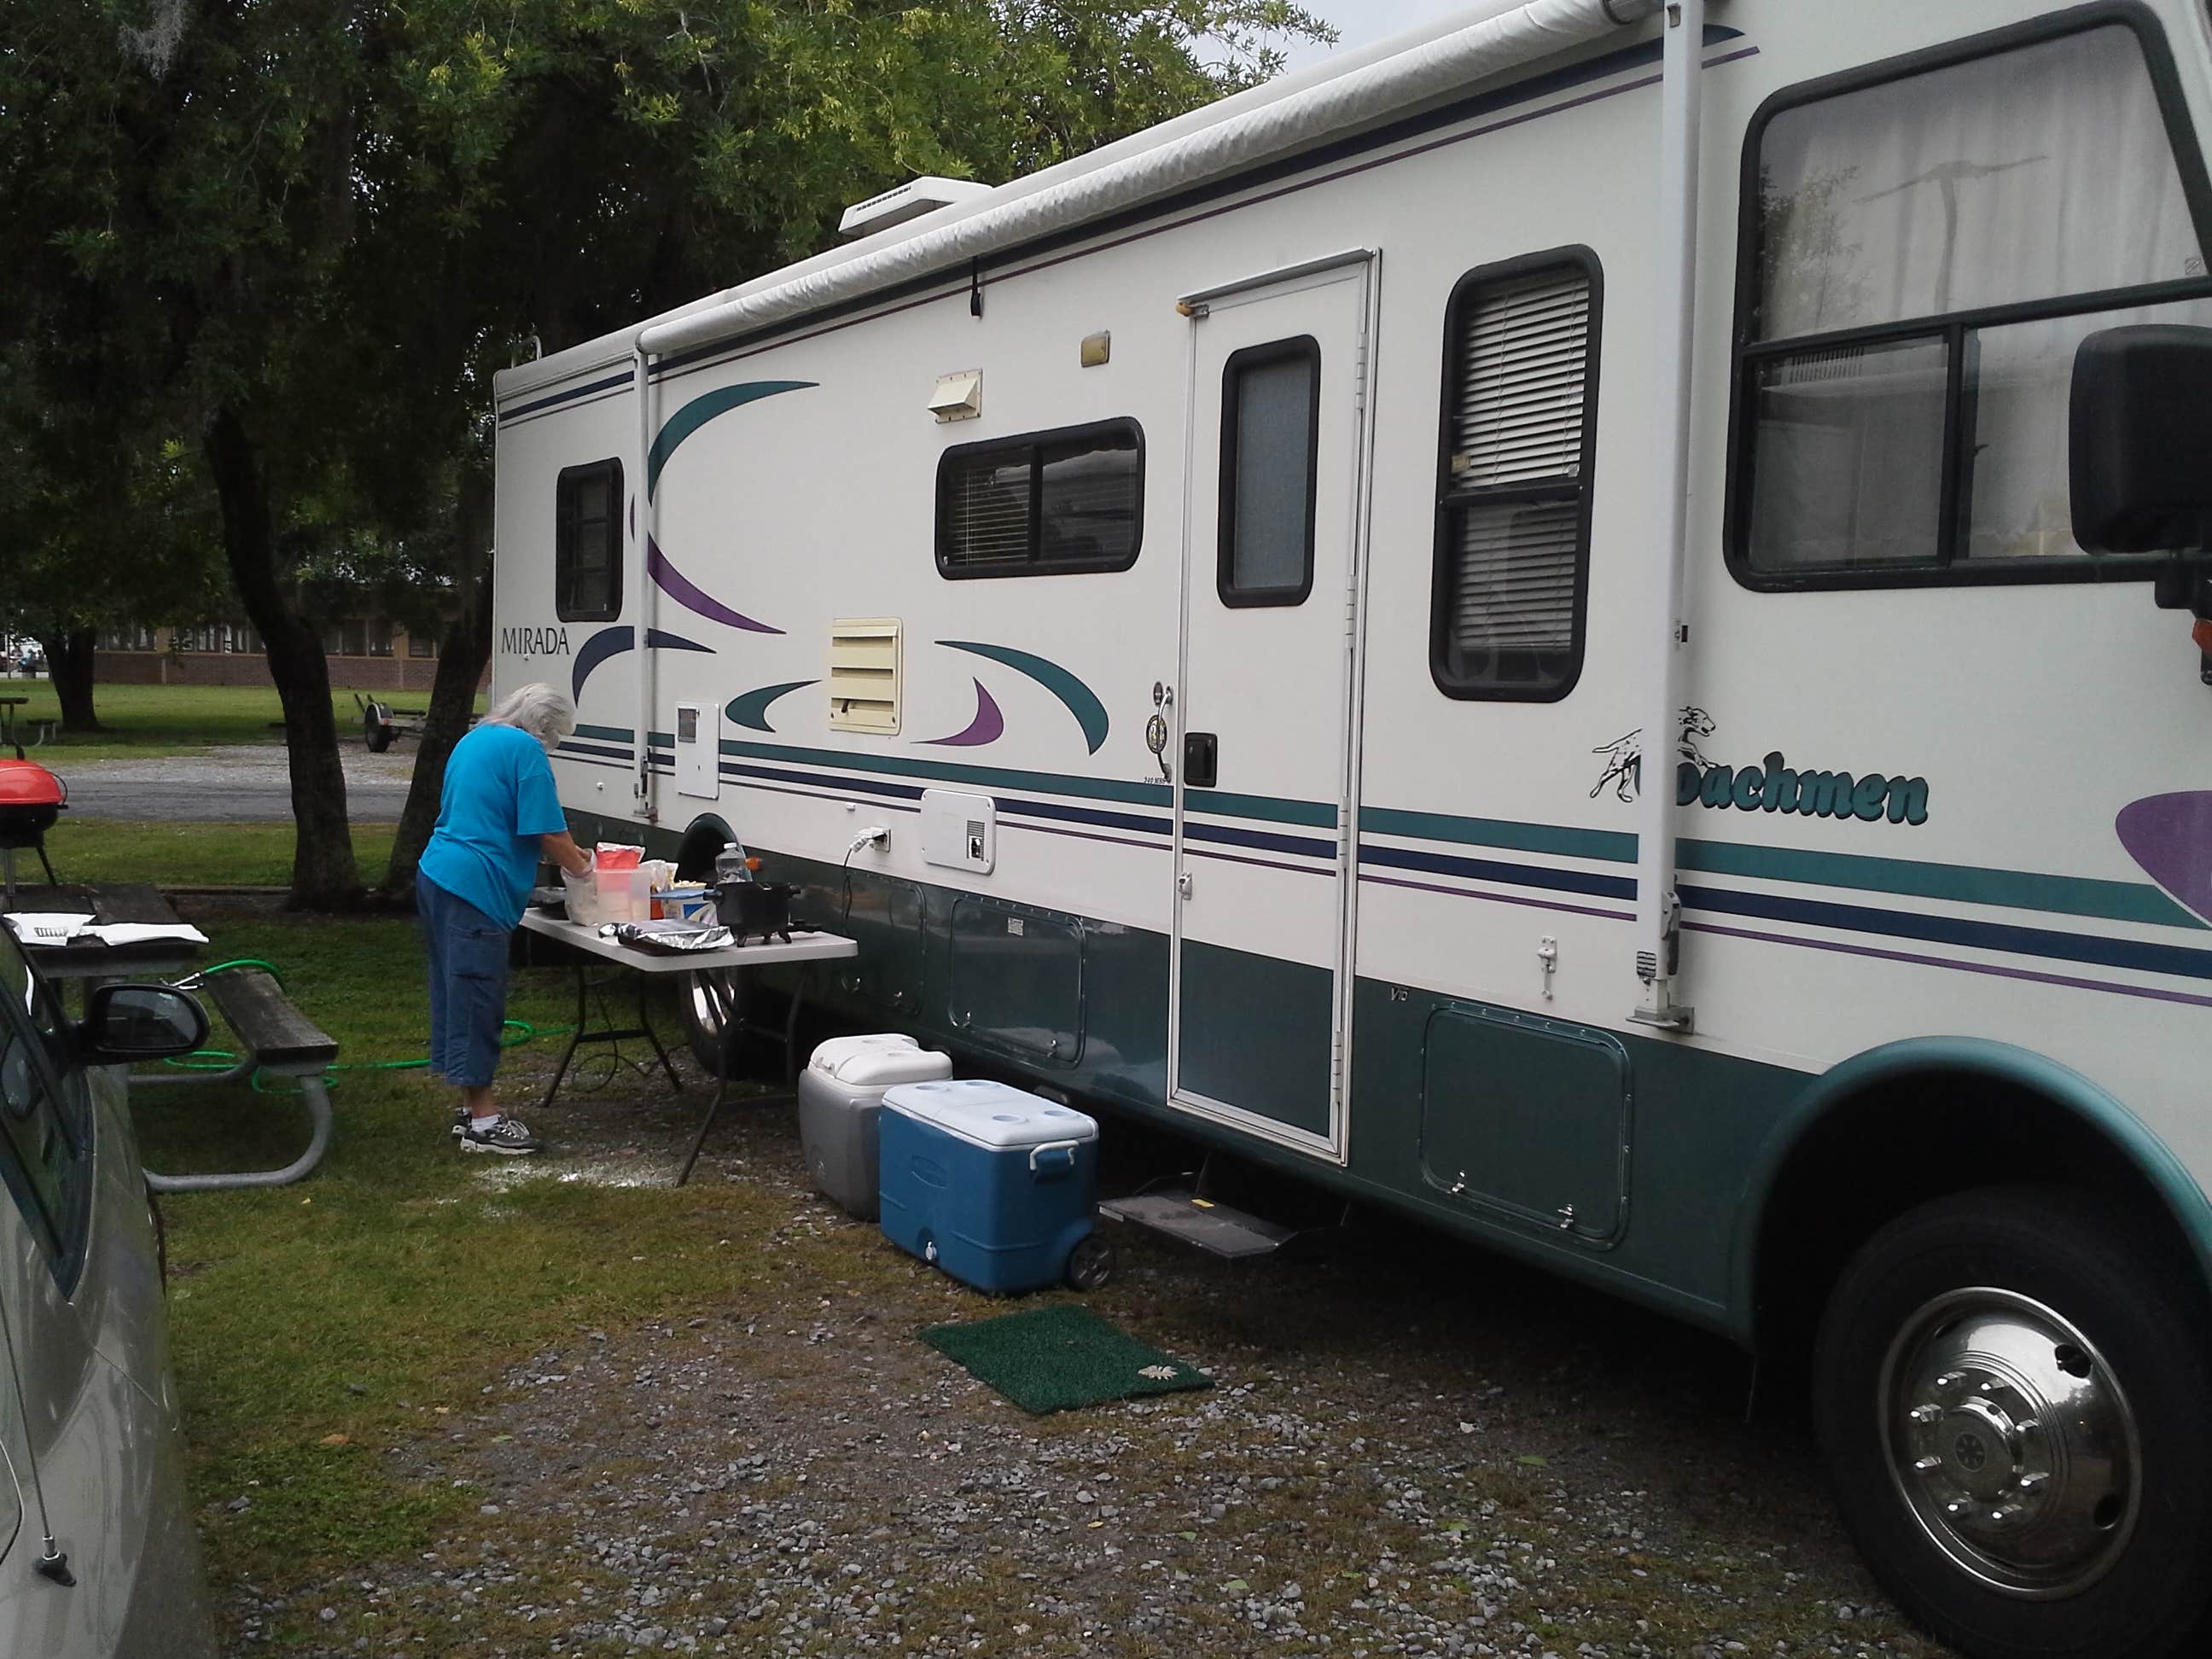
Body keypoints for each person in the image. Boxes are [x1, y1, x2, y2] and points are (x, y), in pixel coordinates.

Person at [416, 684, 592, 1153]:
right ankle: (485, 1123)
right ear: (545, 727)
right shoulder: (525, 751)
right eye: (554, 737)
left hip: (438, 873)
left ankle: (469, 1105)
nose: (551, 746)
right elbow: (547, 832)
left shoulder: (475, 738)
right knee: (477, 998)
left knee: (455, 993)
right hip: (476, 885)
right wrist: (587, 871)